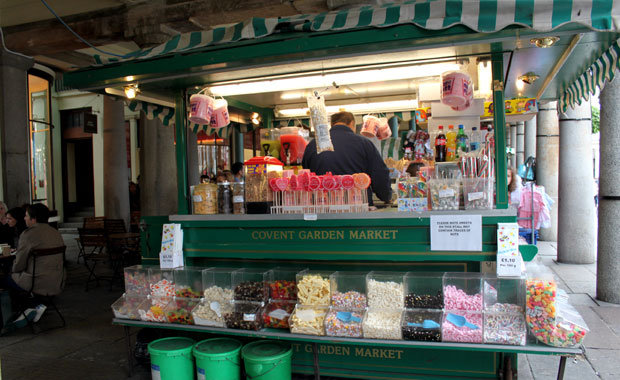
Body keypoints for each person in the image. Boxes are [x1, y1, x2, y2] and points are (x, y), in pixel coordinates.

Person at [302, 111, 392, 205]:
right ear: (352, 124)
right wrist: (386, 196)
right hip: (357, 206)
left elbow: (305, 175)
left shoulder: (313, 145)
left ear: (332, 124)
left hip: (321, 205)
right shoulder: (363, 143)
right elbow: (379, 174)